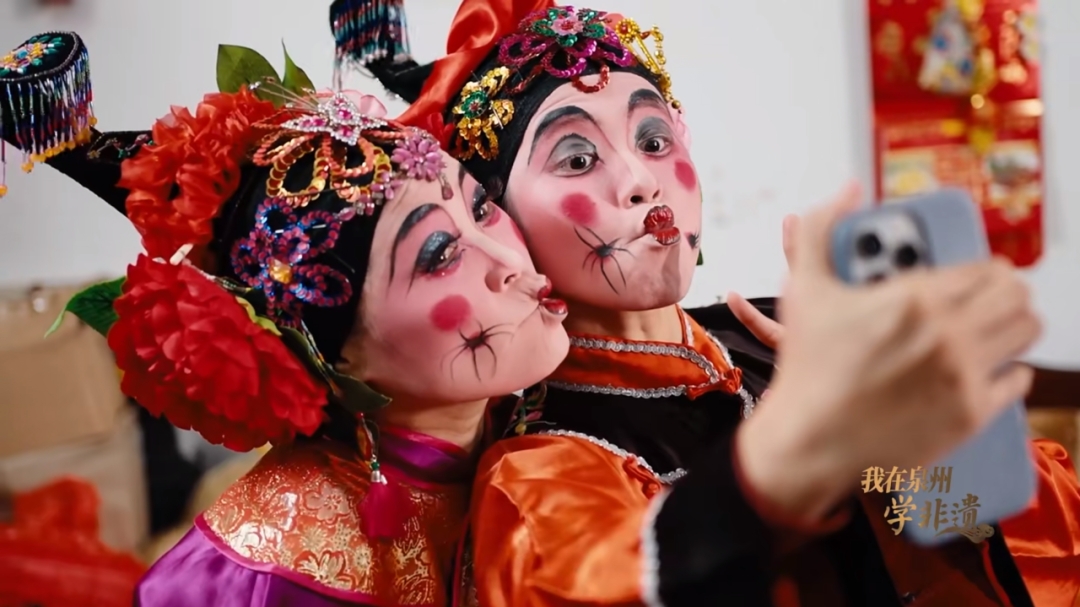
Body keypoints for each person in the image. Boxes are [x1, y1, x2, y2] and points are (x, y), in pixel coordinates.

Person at [360, 2, 1080, 605]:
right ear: (508, 221)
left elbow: (1018, 543)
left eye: (653, 138)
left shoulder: (780, 337)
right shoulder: (541, 462)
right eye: (577, 158)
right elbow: (596, 579)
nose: (641, 181)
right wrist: (801, 441)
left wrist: (935, 433)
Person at [0, 32, 570, 606]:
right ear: (336, 355)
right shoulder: (265, 574)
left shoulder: (537, 415)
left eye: (481, 206)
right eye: (439, 255)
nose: (507, 261)